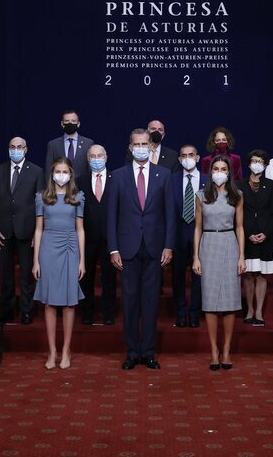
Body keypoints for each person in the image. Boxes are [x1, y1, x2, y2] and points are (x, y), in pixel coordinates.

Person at [107, 128, 177, 370]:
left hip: (155, 248)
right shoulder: (117, 175)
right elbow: (111, 216)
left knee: (150, 302)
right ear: (129, 147)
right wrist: (113, 249)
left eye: (144, 144)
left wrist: (169, 245)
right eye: (136, 144)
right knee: (129, 302)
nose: (140, 147)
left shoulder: (164, 174)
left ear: (151, 147)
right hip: (127, 248)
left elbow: (170, 214)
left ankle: (148, 352)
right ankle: (131, 352)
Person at [192, 156, 245, 370]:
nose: (219, 172)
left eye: (223, 168)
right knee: (211, 301)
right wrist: (195, 256)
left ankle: (227, 350)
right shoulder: (201, 195)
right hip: (209, 244)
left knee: (231, 302)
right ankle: (214, 350)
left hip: (230, 243)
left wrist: (242, 256)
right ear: (210, 171)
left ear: (229, 172)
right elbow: (197, 227)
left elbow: (240, 227)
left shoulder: (237, 195)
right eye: (216, 168)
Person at [32, 158, 85, 370]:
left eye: (65, 171)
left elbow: (80, 229)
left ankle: (66, 350)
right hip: (48, 248)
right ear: (52, 173)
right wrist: (36, 261)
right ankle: (52, 350)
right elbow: (38, 229)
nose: (61, 175)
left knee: (70, 302)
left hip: (70, 247)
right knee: (50, 302)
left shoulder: (78, 197)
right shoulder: (42, 198)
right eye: (58, 171)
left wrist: (82, 260)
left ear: (70, 174)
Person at [0, 136, 44, 324]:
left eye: (20, 147)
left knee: (27, 274)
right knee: (5, 273)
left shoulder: (36, 171)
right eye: (12, 147)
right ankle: (8, 310)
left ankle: (27, 311)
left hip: (27, 231)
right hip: (3, 231)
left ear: (26, 149)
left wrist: (38, 231)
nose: (16, 150)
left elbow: (40, 205)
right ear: (8, 149)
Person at [238, 150, 273, 326]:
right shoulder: (239, 185)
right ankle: (249, 310)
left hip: (266, 236)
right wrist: (247, 234)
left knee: (262, 274)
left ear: (265, 164)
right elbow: (237, 212)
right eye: (254, 161)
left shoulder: (271, 185)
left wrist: (266, 233)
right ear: (248, 164)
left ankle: (259, 312)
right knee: (248, 274)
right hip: (247, 236)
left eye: (260, 161)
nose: (257, 164)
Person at [78, 144, 117, 326]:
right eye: (92, 156)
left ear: (106, 157)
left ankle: (108, 313)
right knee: (86, 277)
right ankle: (87, 313)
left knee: (109, 278)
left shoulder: (116, 179)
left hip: (110, 238)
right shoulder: (80, 181)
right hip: (87, 238)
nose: (96, 159)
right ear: (87, 159)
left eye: (99, 155)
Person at [171, 144, 206, 328]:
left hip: (200, 231)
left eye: (191, 155)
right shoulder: (172, 179)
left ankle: (194, 313)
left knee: (198, 274)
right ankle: (181, 312)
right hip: (178, 232)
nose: (187, 158)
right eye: (183, 155)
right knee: (177, 275)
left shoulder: (207, 180)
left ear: (198, 157)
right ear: (179, 160)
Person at [45, 109, 95, 179]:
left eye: (73, 121)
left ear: (78, 124)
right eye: (67, 121)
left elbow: (91, 169)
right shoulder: (53, 144)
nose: (70, 123)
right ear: (62, 124)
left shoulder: (88, 143)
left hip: (81, 187)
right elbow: (49, 171)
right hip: (60, 186)